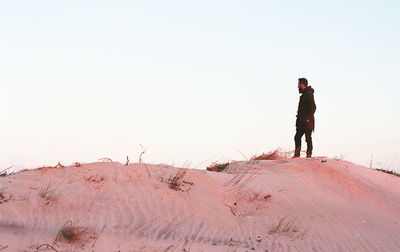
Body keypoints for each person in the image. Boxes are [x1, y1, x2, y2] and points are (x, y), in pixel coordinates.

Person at [293, 78, 316, 158]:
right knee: (297, 137)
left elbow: (313, 107)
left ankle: (309, 154)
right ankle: (297, 154)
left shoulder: (308, 94)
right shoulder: (304, 94)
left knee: (308, 138)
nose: (298, 86)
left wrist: (308, 118)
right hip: (302, 122)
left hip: (306, 121)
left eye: (299, 84)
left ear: (302, 84)